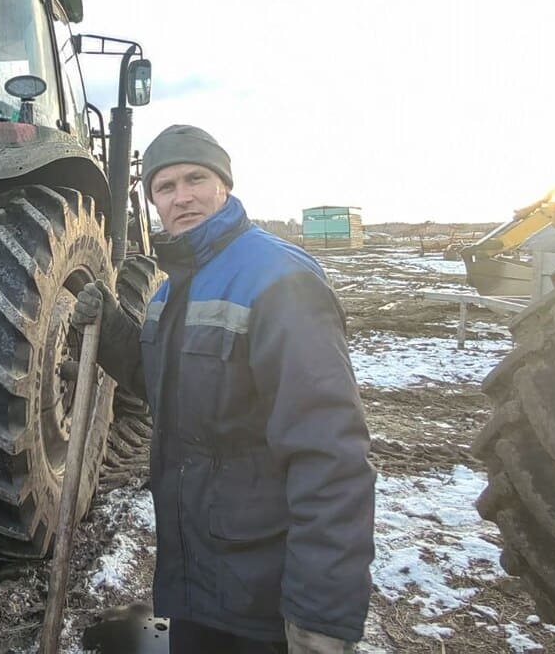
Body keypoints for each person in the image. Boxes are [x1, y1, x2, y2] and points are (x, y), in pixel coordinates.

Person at [73, 125, 375, 653]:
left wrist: (320, 616)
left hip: (265, 590)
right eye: (164, 187)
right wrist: (116, 334)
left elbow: (330, 455)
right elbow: (171, 386)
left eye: (196, 179)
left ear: (225, 187)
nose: (181, 196)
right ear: (153, 203)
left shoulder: (279, 279)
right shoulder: (172, 291)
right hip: (197, 578)